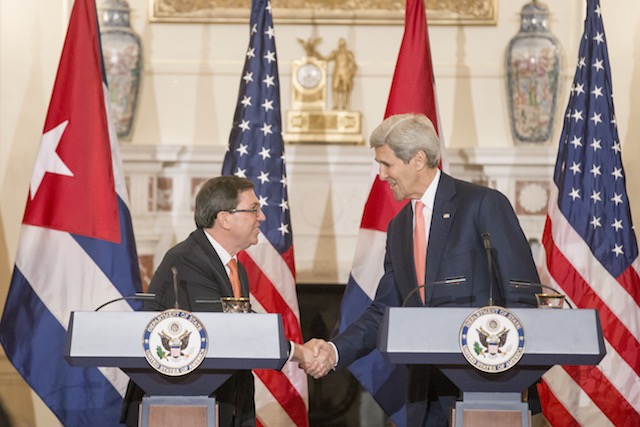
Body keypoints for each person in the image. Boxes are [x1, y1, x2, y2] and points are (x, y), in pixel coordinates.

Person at [301, 113, 540, 426]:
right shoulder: (400, 226)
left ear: (417, 159)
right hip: (424, 395)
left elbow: (522, 294)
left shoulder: (482, 204)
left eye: (387, 164)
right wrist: (334, 350)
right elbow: (384, 309)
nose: (382, 175)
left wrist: (513, 371)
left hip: (488, 388)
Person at [121, 176, 313, 426]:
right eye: (254, 209)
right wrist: (300, 353)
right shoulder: (187, 260)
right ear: (225, 219)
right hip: (178, 408)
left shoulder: (232, 266)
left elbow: (241, 323)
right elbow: (230, 330)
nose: (262, 217)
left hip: (224, 404)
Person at [325, 38, 357, 110]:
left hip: (345, 72)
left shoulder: (348, 54)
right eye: (340, 44)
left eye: (342, 44)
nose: (341, 46)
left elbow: (354, 64)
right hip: (337, 72)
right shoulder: (335, 53)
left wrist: (351, 72)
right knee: (335, 87)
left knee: (345, 89)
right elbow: (325, 59)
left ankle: (344, 105)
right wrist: (315, 53)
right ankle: (336, 105)